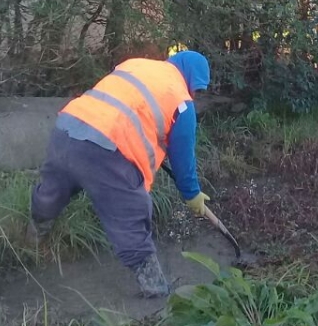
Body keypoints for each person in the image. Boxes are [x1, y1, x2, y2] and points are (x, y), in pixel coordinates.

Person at [27, 50, 211, 298]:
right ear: (191, 77)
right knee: (131, 215)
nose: (195, 95)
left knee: (51, 193)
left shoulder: (136, 64)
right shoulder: (181, 102)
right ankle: (156, 291)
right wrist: (192, 194)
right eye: (197, 89)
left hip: (67, 129)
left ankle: (30, 243)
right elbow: (183, 156)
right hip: (107, 152)